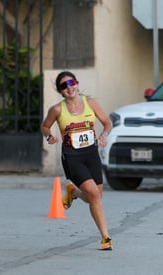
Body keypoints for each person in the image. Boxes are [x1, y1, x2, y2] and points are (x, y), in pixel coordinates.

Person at [41, 71, 113, 250]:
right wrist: (49, 136)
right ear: (61, 91)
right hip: (72, 157)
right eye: (64, 86)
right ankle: (105, 238)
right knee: (94, 195)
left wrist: (104, 135)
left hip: (91, 154)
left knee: (94, 197)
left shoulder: (90, 103)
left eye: (71, 83)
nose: (69, 88)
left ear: (77, 83)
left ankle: (73, 193)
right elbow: (45, 126)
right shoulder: (57, 110)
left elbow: (107, 122)